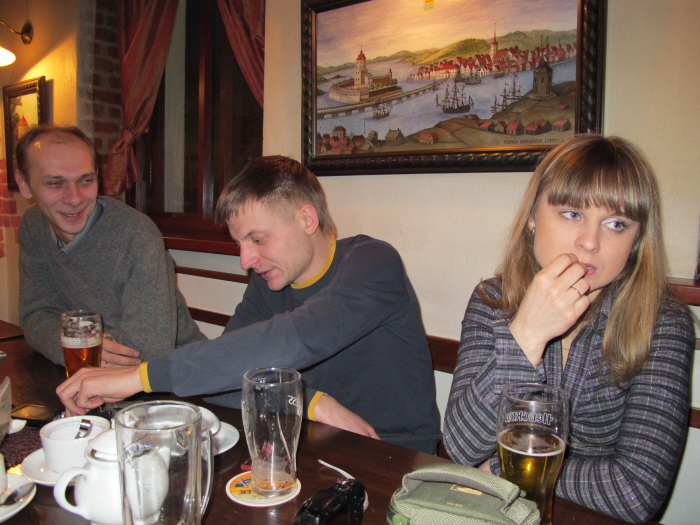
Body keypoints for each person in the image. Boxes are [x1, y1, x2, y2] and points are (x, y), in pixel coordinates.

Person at [57, 155, 440, 453]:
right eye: (240, 243)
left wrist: (135, 378)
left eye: (257, 239)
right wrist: (310, 402)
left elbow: (297, 338)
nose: (245, 260)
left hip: (391, 454)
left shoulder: (374, 263)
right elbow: (225, 376)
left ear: (307, 219)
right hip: (311, 441)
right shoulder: (268, 283)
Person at [443, 135, 695, 523]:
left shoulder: (664, 324)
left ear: (636, 239)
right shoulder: (493, 301)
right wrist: (525, 335)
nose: (590, 242)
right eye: (572, 213)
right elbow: (460, 447)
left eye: (616, 224)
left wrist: (501, 469)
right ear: (532, 217)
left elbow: (636, 493)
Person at [15, 125, 205, 367]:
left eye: (85, 180)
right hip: (93, 371)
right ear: (24, 183)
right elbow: (36, 314)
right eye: (54, 183)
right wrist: (81, 347)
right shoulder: (33, 226)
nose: (74, 198)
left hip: (177, 371)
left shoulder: (136, 234)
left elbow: (150, 348)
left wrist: (82, 346)